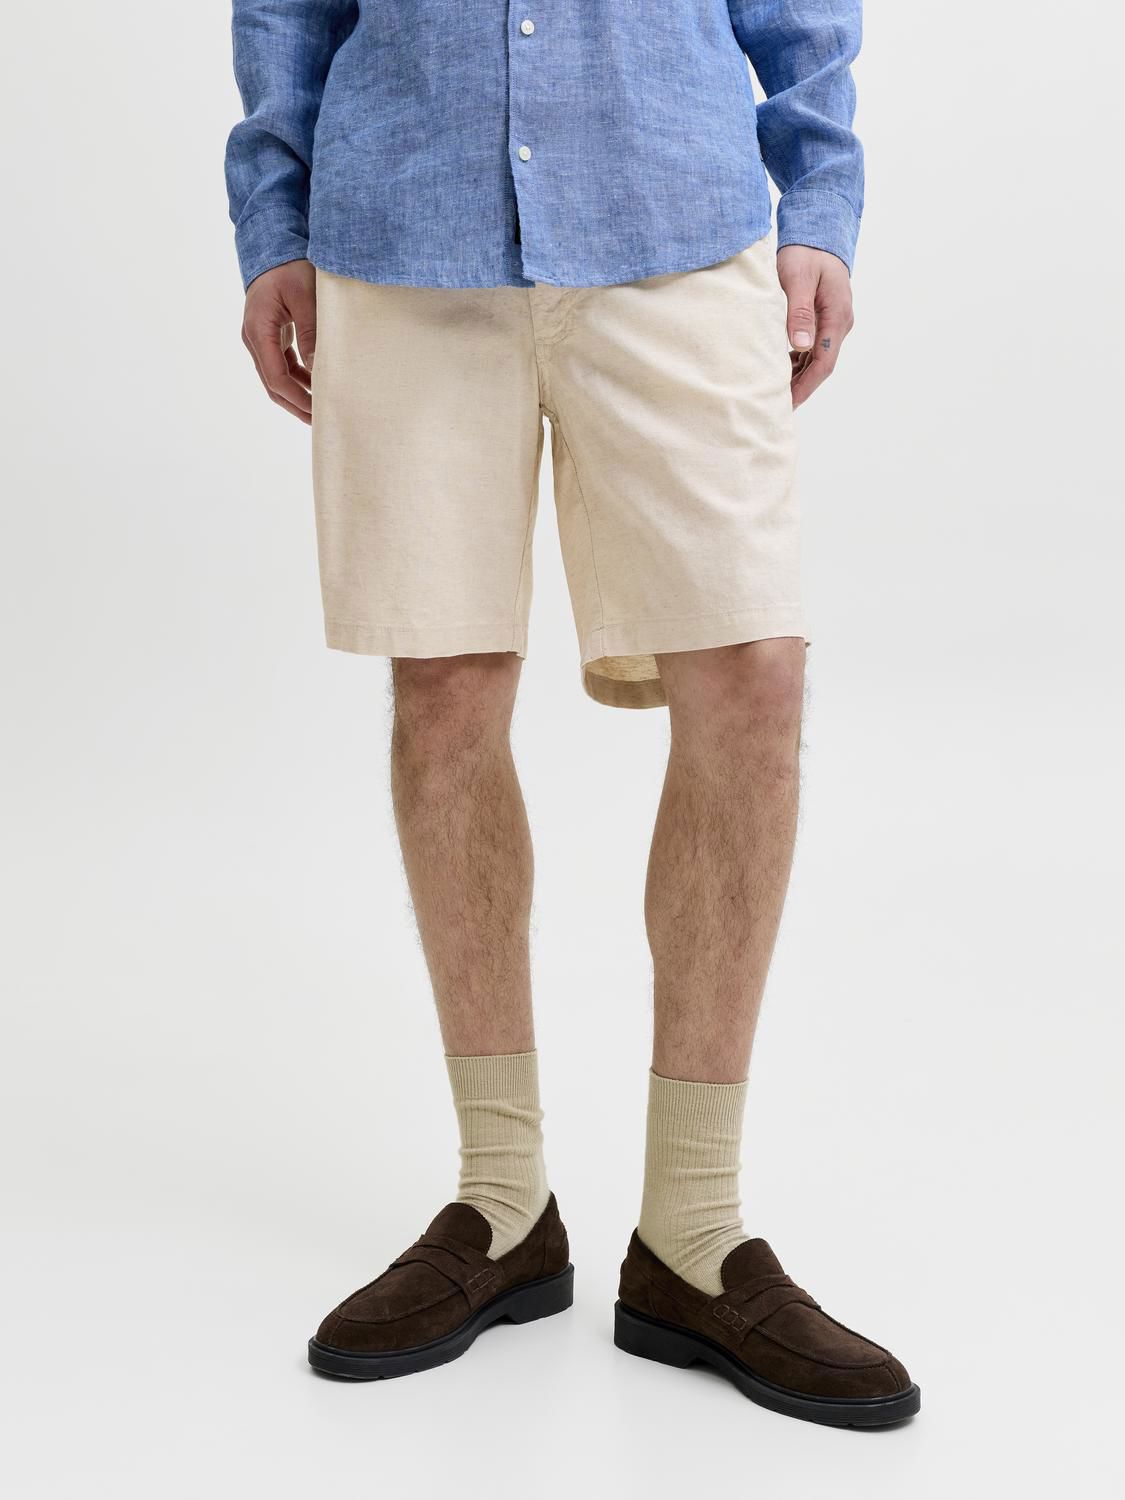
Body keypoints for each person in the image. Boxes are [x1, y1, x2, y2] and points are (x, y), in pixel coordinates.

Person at [226, 0, 919, 1425]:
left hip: (675, 213)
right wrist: (271, 223)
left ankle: (694, 1230)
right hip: (404, 226)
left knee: (753, 671)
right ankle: (501, 1203)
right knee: (444, 689)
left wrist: (820, 202)